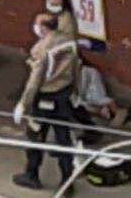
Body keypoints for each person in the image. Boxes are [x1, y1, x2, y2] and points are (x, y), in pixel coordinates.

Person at [12, 13, 80, 195]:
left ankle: (31, 175)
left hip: (44, 98)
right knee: (64, 140)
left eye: (37, 24)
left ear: (43, 27)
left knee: (35, 136)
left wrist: (23, 104)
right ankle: (67, 182)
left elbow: (35, 81)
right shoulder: (69, 42)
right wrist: (77, 91)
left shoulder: (41, 49)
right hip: (64, 94)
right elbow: (76, 67)